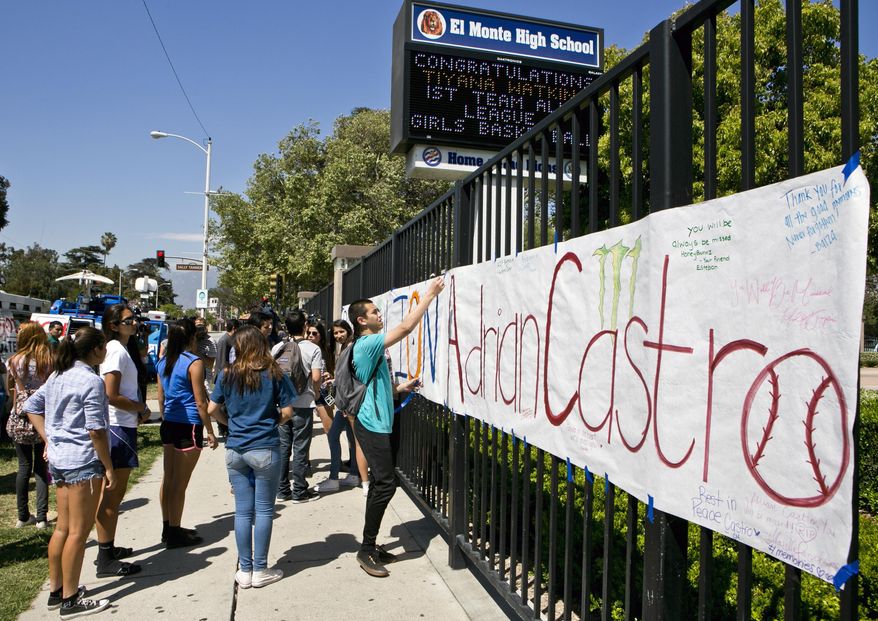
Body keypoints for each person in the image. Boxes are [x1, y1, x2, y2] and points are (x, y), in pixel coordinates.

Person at [348, 276, 444, 577]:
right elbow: (405, 328)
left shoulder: (372, 347)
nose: (380, 315)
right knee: (386, 483)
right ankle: (366, 549)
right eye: (375, 312)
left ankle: (370, 545)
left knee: (382, 482)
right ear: (362, 320)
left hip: (380, 420)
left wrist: (401, 388)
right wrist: (430, 295)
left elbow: (379, 384)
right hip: (371, 423)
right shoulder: (366, 343)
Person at [24, 327, 113, 617]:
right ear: (96, 350)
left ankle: (57, 590)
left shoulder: (57, 375)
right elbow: (96, 429)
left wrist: (49, 438)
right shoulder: (91, 380)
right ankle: (70, 599)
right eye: (104, 346)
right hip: (83, 462)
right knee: (78, 531)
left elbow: (30, 406)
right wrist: (108, 466)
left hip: (60, 462)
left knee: (63, 528)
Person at [208, 325, 295, 589]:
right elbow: (289, 411)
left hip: (235, 449)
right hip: (265, 447)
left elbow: (212, 409)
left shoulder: (226, 375)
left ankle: (244, 570)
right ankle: (260, 569)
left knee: (242, 512)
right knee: (264, 510)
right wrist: (271, 423)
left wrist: (230, 424)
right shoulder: (274, 373)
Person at [95, 305, 148, 577]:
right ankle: (105, 558)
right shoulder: (115, 350)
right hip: (117, 427)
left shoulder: (121, 349)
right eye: (128, 320)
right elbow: (111, 394)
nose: (134, 323)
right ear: (114, 325)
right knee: (112, 495)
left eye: (134, 319)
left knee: (115, 494)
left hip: (122, 425)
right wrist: (140, 408)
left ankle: (108, 548)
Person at [156, 318, 217, 548]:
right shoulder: (194, 363)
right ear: (192, 338)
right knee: (180, 484)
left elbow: (160, 397)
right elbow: (201, 402)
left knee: (168, 479)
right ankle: (174, 532)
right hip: (189, 424)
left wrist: (165, 417)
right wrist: (209, 430)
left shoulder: (163, 362)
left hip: (169, 422)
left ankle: (168, 525)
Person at [273, 310, 323, 503]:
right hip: (304, 403)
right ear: (304, 326)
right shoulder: (312, 349)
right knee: (301, 447)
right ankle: (300, 491)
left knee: (283, 447)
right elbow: (317, 377)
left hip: (282, 404)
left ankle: (282, 490)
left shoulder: (278, 347)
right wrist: (316, 393)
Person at [6, 321, 52, 528]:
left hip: (21, 415)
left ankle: (22, 516)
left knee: (23, 466)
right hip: (43, 415)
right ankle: (42, 517)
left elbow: (11, 390)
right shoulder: (49, 360)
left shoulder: (14, 360)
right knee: (41, 466)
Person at [312, 320, 360, 494]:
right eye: (335, 333)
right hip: (345, 402)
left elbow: (353, 377)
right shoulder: (346, 347)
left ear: (349, 330)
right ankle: (353, 474)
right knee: (350, 439)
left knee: (334, 436)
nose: (338, 335)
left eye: (341, 332)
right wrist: (334, 379)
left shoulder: (352, 348)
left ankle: (334, 478)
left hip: (347, 403)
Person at [194, 317, 217, 385]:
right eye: (197, 326)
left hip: (205, 378)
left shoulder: (211, 341)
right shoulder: (191, 339)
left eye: (201, 326)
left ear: (205, 327)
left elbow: (210, 364)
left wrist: (197, 352)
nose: (199, 328)